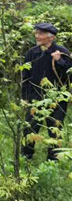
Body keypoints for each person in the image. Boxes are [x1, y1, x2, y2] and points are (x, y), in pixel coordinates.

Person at [21, 23, 72, 161]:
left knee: (55, 130)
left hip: (57, 99)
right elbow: (25, 77)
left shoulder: (62, 52)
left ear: (51, 37)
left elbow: (69, 75)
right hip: (35, 97)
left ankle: (53, 160)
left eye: (41, 34)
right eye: (36, 33)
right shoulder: (32, 53)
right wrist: (24, 98)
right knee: (30, 128)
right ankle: (26, 156)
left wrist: (59, 61)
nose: (37, 36)